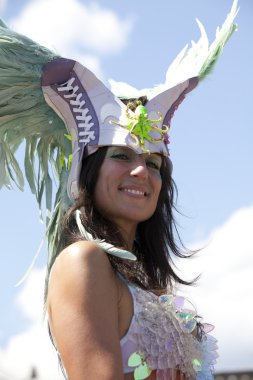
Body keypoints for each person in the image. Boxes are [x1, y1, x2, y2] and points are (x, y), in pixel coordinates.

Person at [0, 1, 238, 379]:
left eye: (154, 163)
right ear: (88, 172)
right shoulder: (84, 262)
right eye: (122, 156)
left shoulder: (144, 283)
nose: (142, 170)